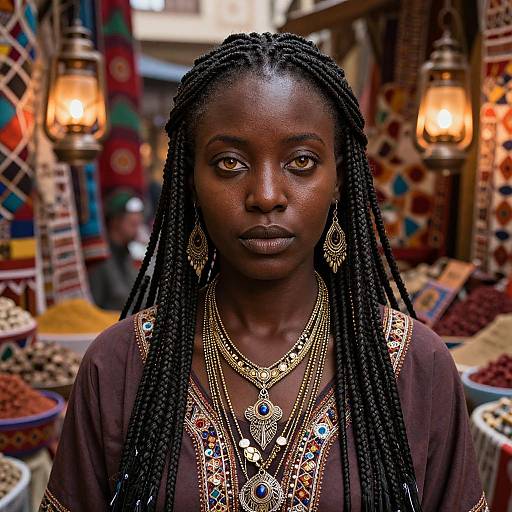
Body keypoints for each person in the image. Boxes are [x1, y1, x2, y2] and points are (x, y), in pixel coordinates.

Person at [40, 33, 487, 512]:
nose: (267, 194)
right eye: (230, 163)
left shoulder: (415, 365)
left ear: (338, 179)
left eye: (301, 161)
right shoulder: (120, 365)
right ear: (191, 181)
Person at [88, 190, 145, 311]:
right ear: (115, 221)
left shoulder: (128, 256)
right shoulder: (100, 259)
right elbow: (94, 306)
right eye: (132, 224)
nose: (137, 230)